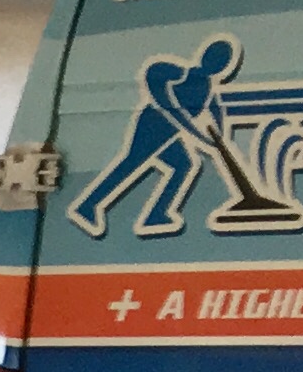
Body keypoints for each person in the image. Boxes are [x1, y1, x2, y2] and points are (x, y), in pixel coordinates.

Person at [71, 38, 241, 238]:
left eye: (222, 62)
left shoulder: (207, 89)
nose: (218, 65)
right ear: (204, 56)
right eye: (215, 58)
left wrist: (218, 140)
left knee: (183, 165)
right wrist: (198, 136)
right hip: (152, 125)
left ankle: (156, 215)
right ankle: (88, 206)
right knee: (131, 164)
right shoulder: (181, 73)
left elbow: (217, 116)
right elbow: (159, 88)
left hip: (169, 133)